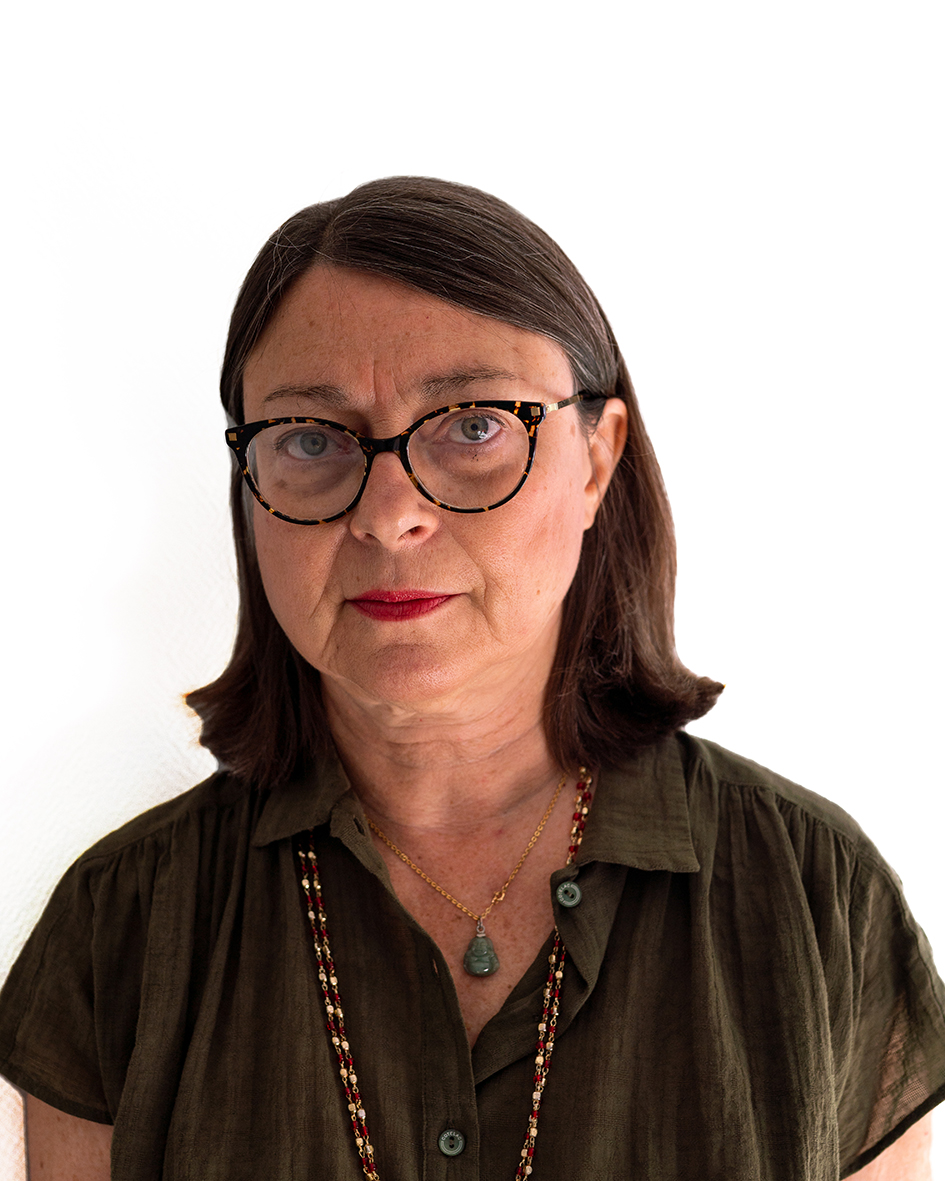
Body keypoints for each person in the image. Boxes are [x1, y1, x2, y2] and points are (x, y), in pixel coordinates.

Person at [2, 178, 943, 1181]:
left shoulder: (817, 900)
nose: (388, 515)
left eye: (473, 425)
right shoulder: (121, 929)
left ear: (597, 459)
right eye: (311, 439)